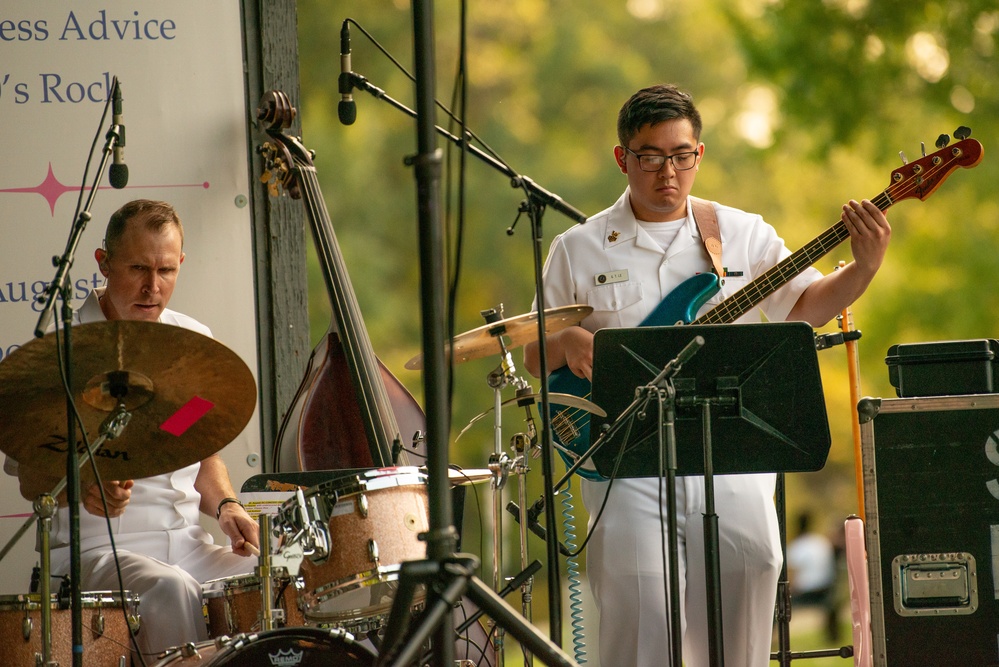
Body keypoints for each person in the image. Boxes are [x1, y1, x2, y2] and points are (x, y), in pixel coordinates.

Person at [523, 84, 891, 667]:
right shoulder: (578, 248)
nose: (668, 171)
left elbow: (802, 308)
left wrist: (865, 269)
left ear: (700, 153)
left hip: (733, 449)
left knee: (751, 580)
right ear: (623, 158)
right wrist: (566, 340)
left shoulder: (742, 232)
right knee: (642, 610)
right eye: (651, 155)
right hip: (626, 460)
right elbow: (530, 354)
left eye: (682, 155)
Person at [7, 199, 260, 659]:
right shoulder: (54, 356)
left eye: (166, 270)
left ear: (181, 264)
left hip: (187, 543)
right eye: (138, 268)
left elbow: (201, 454)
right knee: (170, 589)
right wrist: (81, 486)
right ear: (102, 263)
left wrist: (226, 505)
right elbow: (30, 480)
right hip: (94, 555)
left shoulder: (197, 348)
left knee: (268, 576)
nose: (153, 287)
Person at [787, 511, 840, 642]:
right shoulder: (821, 542)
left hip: (806, 591)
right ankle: (833, 638)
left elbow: (792, 574)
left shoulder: (797, 546)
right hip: (826, 589)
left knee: (779, 605)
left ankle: (773, 638)